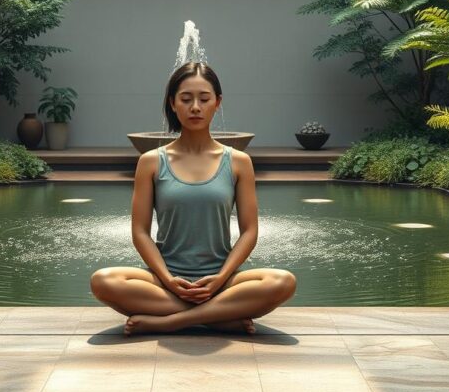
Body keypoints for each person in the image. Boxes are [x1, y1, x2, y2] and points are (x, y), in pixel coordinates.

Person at [90, 62, 297, 336]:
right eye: (186, 99)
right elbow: (140, 231)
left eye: (204, 98)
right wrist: (167, 278)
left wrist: (220, 279)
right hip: (165, 280)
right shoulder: (151, 162)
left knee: (282, 282)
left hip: (222, 280)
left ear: (217, 103)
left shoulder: (239, 162)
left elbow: (250, 231)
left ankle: (170, 321)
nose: (195, 107)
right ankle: (219, 316)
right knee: (103, 281)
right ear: (173, 104)